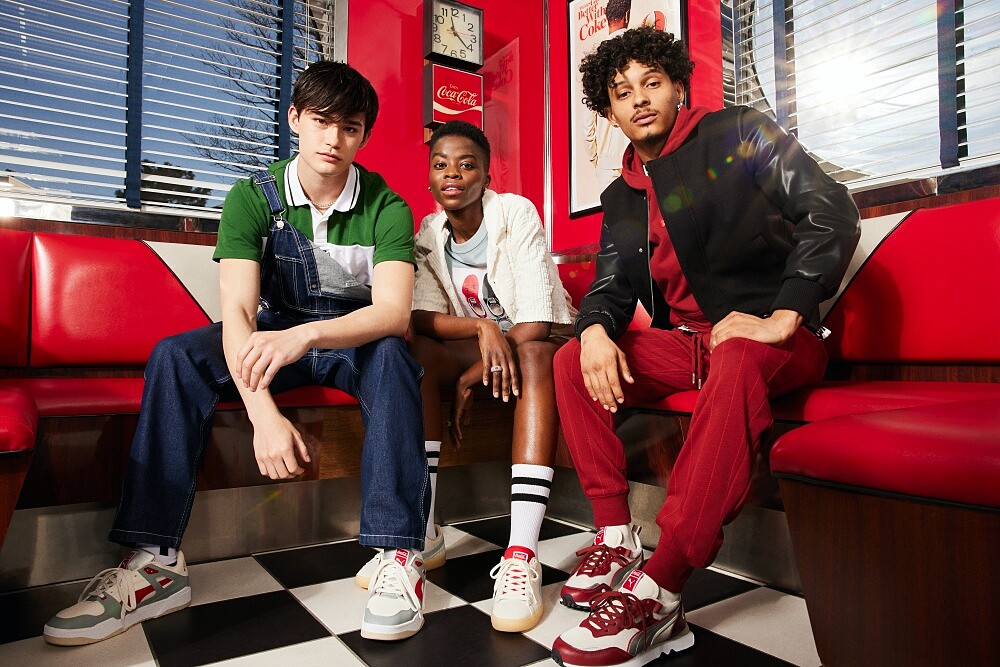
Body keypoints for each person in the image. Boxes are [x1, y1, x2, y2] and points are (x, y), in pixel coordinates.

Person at [44, 61, 430, 645]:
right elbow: (241, 316)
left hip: (347, 337)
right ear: (294, 118)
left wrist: (307, 336)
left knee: (394, 359)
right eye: (320, 121)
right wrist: (263, 413)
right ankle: (155, 565)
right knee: (177, 356)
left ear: (364, 136)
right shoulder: (253, 197)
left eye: (349, 127)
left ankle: (398, 554)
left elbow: (393, 314)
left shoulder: (387, 206)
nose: (333, 139)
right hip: (271, 330)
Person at [551, 27, 860, 667]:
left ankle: (662, 587)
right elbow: (609, 286)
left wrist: (784, 315)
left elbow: (831, 209)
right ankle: (615, 535)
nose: (639, 99)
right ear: (608, 111)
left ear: (678, 87)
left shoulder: (739, 132)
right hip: (692, 345)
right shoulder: (621, 196)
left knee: (738, 355)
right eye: (622, 92)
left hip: (773, 340)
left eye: (652, 83)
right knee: (570, 360)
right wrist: (595, 330)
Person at [354, 120, 576, 633]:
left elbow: (536, 322)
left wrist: (471, 374)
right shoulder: (428, 233)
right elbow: (418, 317)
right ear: (429, 178)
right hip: (487, 342)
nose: (452, 174)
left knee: (534, 354)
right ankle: (423, 531)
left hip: (543, 339)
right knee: (414, 354)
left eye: (466, 164)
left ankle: (521, 552)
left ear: (486, 175)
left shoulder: (514, 212)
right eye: (440, 165)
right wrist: (481, 329)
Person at [584, 0, 633, 191]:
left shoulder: (595, 60)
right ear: (627, 15)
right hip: (637, 155)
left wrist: (597, 159)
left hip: (607, 161)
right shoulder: (637, 51)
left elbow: (588, 123)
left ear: (607, 18)